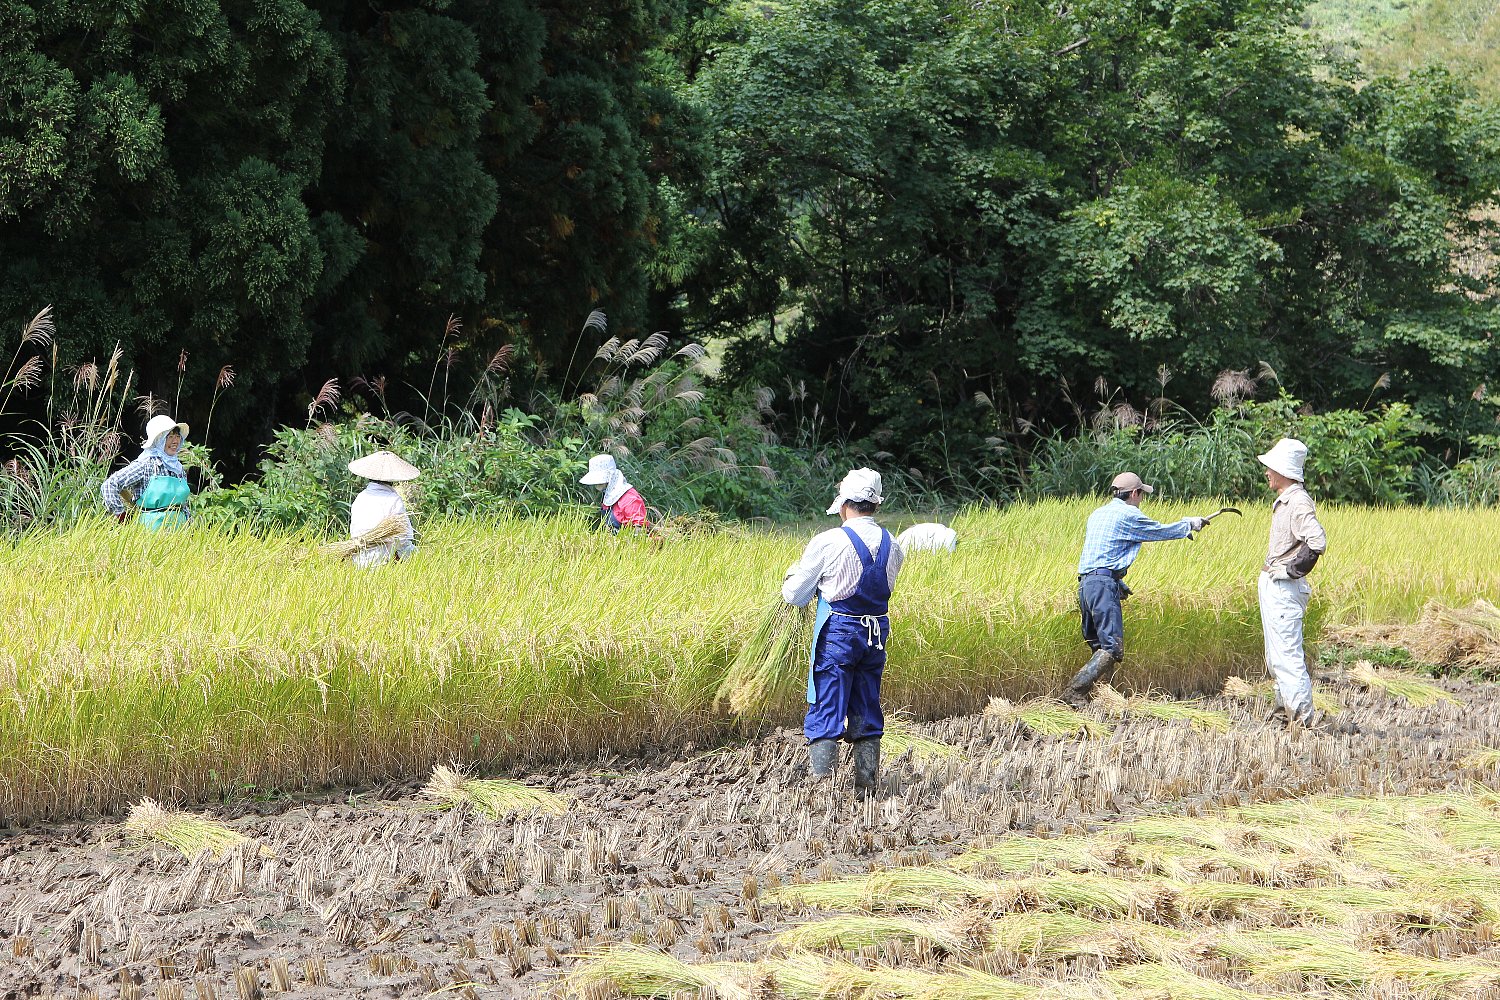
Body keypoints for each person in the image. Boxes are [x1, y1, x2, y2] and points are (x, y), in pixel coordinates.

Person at [782, 468, 905, 791]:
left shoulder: (829, 541)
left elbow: (795, 596)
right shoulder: (893, 544)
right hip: (875, 634)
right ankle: (867, 785)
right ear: (875, 504)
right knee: (867, 703)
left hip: (839, 633)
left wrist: (792, 576)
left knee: (827, 704)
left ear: (844, 505)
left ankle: (824, 790)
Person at [1065, 472, 1206, 706]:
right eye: (1141, 495)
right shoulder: (1128, 514)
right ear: (1133, 493)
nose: (1141, 500)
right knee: (1112, 649)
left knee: (1099, 646)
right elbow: (1158, 531)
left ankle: (1101, 698)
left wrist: (1116, 581)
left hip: (1086, 585)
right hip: (1102, 586)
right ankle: (1074, 692)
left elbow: (1102, 553)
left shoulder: (1097, 514)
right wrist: (1189, 524)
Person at [1257, 438, 1328, 725]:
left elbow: (1317, 541)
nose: (1267, 472)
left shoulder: (1297, 501)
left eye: (1271, 467)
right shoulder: (1287, 499)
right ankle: (1283, 716)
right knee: (1277, 657)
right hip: (1275, 585)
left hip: (1284, 588)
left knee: (1287, 655)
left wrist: (1290, 571)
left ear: (1284, 470)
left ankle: (1301, 721)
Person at [101, 414, 192, 529]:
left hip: (180, 530)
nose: (175, 441)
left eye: (178, 436)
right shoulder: (146, 464)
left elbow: (183, 505)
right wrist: (122, 516)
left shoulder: (178, 468)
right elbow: (110, 485)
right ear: (158, 440)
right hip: (151, 530)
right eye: (170, 437)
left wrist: (191, 526)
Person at [347, 451, 419, 568]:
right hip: (382, 559)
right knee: (416, 555)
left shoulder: (361, 496)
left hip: (359, 557)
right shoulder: (393, 499)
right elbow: (402, 538)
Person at [579, 454, 648, 532]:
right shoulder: (608, 495)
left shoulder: (629, 498)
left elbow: (640, 530)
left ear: (611, 477)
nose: (597, 484)